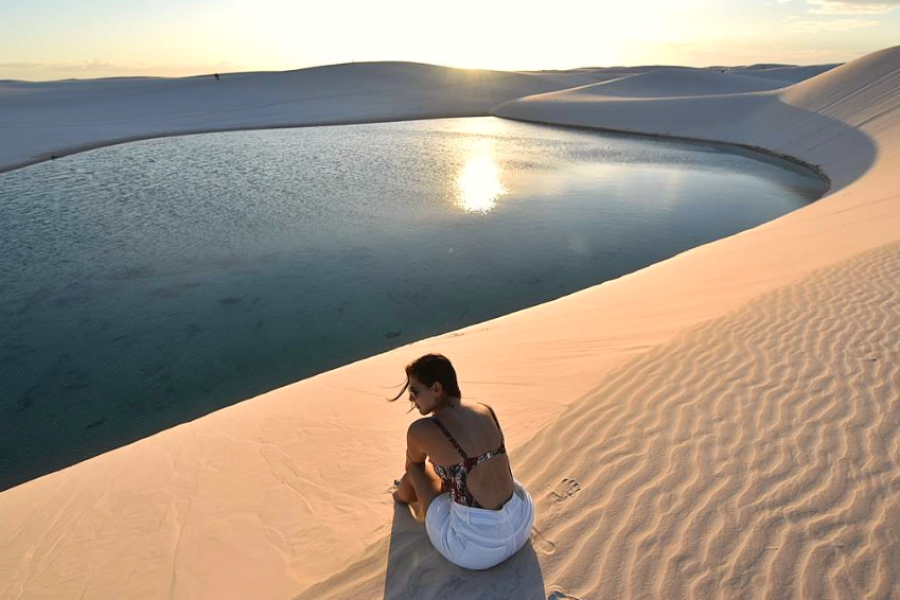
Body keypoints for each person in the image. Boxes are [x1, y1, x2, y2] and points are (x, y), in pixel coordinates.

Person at [388, 353, 535, 570]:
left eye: (415, 392)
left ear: (437, 389)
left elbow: (413, 466)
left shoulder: (421, 429)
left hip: (476, 549)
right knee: (474, 467)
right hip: (522, 520)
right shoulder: (485, 409)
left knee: (417, 471)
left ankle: (399, 498)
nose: (411, 399)